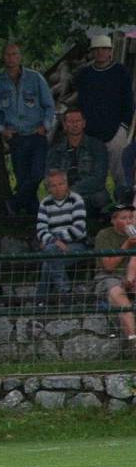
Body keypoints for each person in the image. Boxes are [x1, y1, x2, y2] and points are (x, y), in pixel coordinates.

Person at [0, 43, 55, 216]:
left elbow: (49, 106)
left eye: (14, 54)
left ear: (20, 57)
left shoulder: (35, 78)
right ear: (3, 57)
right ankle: (32, 214)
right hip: (16, 137)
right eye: (8, 54)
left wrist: (46, 126)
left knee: (37, 173)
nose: (11, 58)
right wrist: (2, 130)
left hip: (36, 134)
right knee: (23, 178)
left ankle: (14, 202)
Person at [75, 34, 134, 189]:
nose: (100, 52)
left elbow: (128, 101)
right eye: (97, 49)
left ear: (110, 51)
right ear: (92, 52)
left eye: (104, 49)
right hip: (91, 131)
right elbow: (81, 103)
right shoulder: (85, 74)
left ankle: (124, 205)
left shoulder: (121, 72)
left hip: (116, 131)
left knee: (120, 172)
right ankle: (96, 205)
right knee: (92, 172)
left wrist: (123, 126)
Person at [34, 169, 87, 307]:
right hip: (54, 247)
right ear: (48, 188)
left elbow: (79, 229)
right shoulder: (45, 203)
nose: (58, 188)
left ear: (67, 184)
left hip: (76, 245)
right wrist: (55, 242)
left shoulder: (76, 199)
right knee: (51, 256)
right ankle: (65, 293)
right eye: (53, 185)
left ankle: (41, 300)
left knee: (49, 259)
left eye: (61, 184)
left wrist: (56, 239)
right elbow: (40, 230)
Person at [45, 107, 109, 217]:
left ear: (84, 123)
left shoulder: (97, 146)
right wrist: (61, 190)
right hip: (63, 192)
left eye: (78, 121)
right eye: (71, 122)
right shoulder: (56, 149)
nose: (75, 125)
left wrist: (73, 191)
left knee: (100, 199)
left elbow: (99, 178)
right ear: (65, 125)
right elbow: (49, 175)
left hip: (90, 192)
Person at [93, 203, 136, 354]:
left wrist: (131, 279)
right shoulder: (104, 235)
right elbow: (109, 266)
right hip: (109, 277)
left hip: (131, 276)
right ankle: (133, 341)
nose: (129, 221)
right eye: (124, 218)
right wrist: (126, 245)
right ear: (114, 220)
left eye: (131, 217)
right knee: (119, 295)